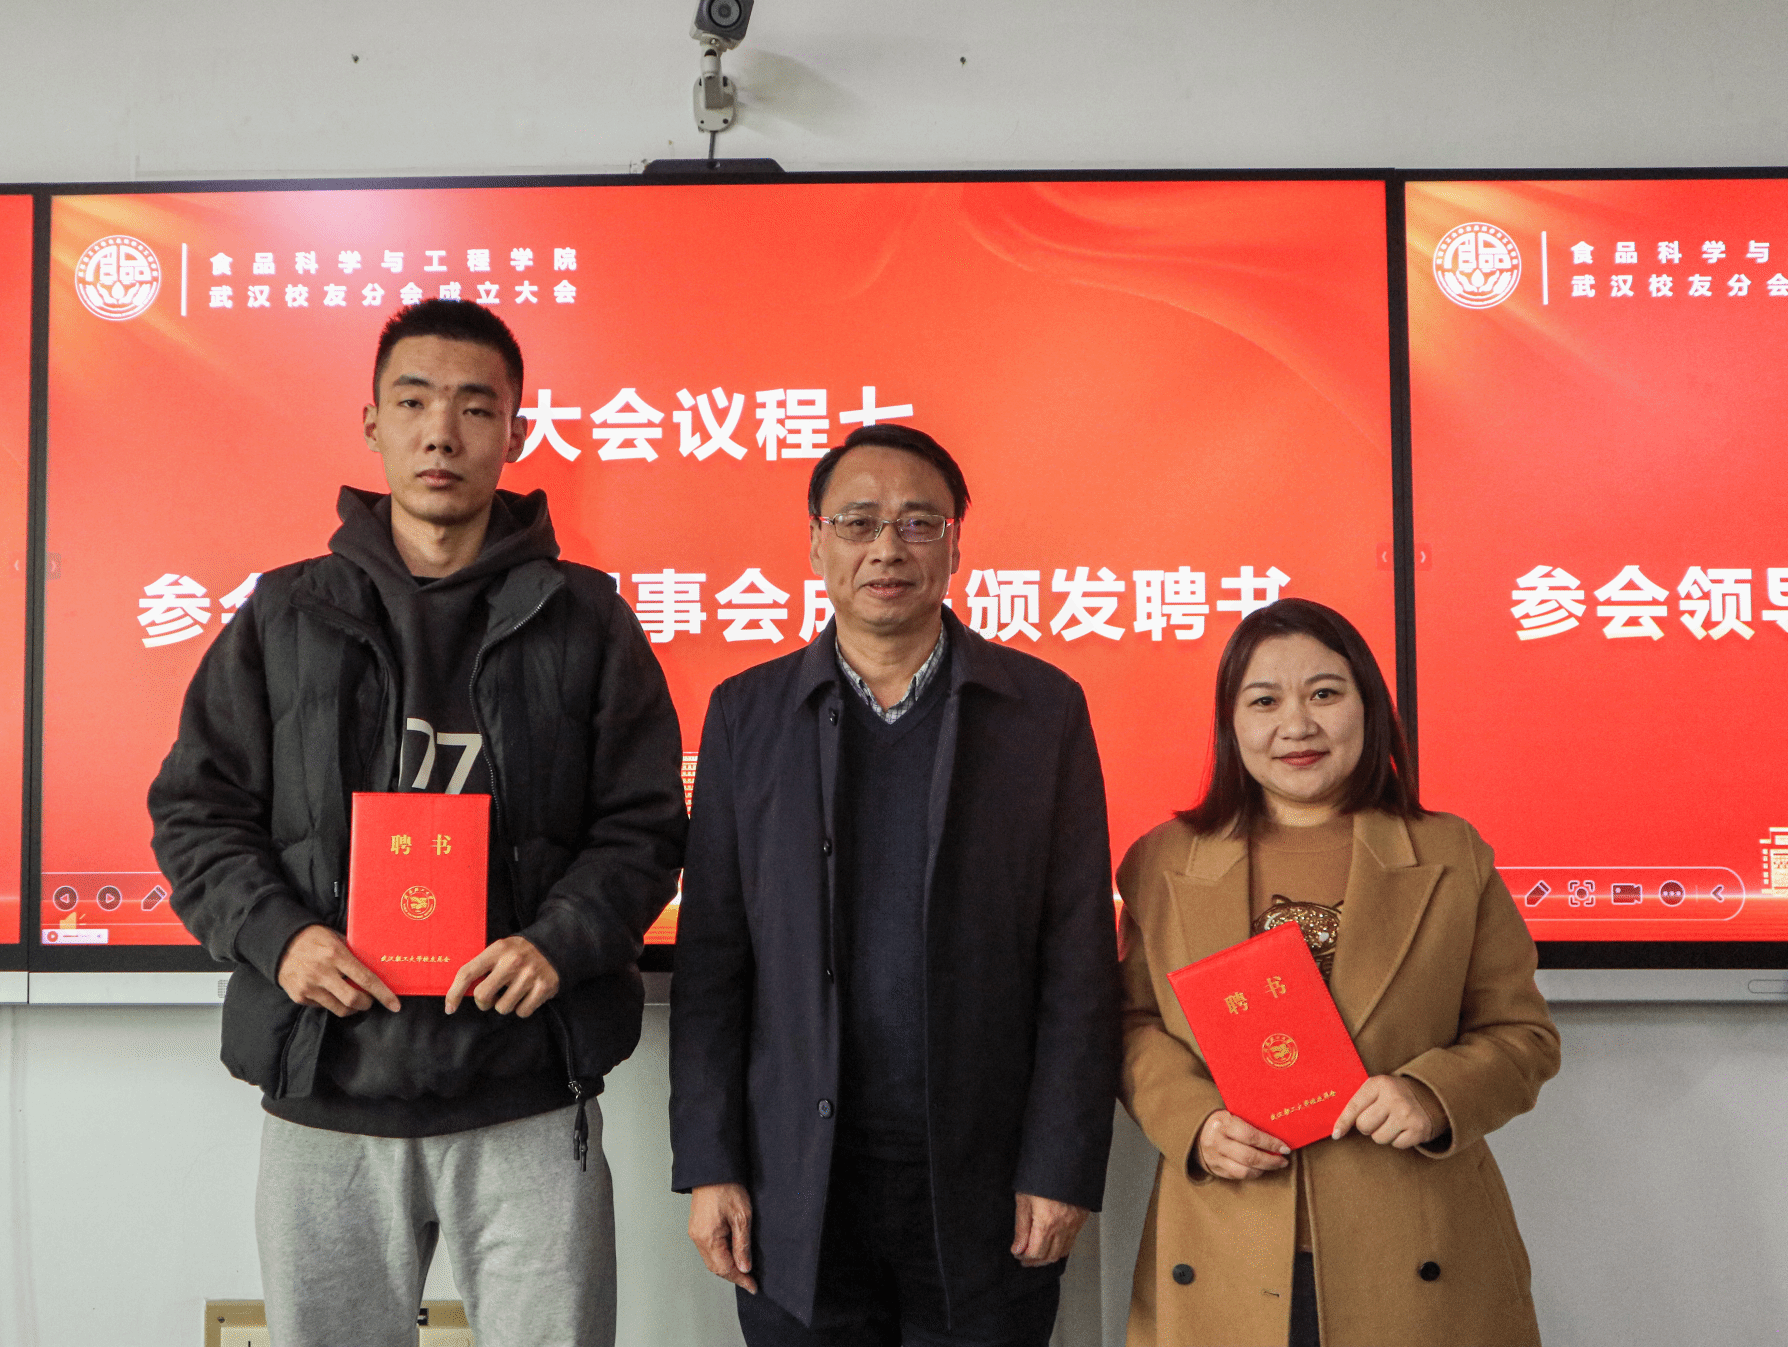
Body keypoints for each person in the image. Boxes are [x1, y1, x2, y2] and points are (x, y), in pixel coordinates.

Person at [150, 299, 687, 1347]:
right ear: (372, 424)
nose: (442, 431)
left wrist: (558, 942)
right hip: (328, 1081)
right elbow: (196, 814)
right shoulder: (283, 615)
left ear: (515, 433)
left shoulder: (586, 619)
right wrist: (282, 939)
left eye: (475, 408)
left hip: (526, 1087)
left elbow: (645, 825)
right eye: (414, 402)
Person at [669, 424, 1118, 1347]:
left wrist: (1062, 1164)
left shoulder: (1041, 711)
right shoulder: (747, 714)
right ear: (816, 543)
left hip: (985, 1179)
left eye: (918, 523)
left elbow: (1078, 958)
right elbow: (713, 959)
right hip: (797, 1182)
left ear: (955, 544)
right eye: (859, 521)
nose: (887, 548)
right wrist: (710, 1163)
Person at [1115, 597, 1560, 1347]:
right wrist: (1194, 1123)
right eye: (1264, 700)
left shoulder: (1451, 854)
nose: (1297, 725)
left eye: (1324, 693)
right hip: (1227, 1237)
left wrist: (1433, 1094)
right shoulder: (1163, 863)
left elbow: (1523, 1034)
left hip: (1414, 1242)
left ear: (1369, 706)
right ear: (1230, 722)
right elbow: (1131, 1025)